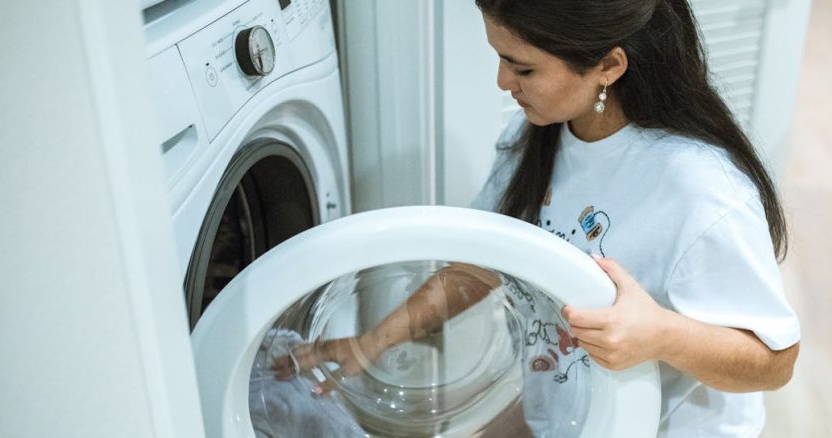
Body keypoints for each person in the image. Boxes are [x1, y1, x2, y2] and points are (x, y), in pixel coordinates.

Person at [275, 0, 801, 435]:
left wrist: (659, 334)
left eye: (523, 67)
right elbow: (480, 266)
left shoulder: (700, 190)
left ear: (609, 66)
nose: (503, 81)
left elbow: (775, 360)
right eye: (501, 58)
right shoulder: (541, 138)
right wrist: (372, 342)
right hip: (570, 414)